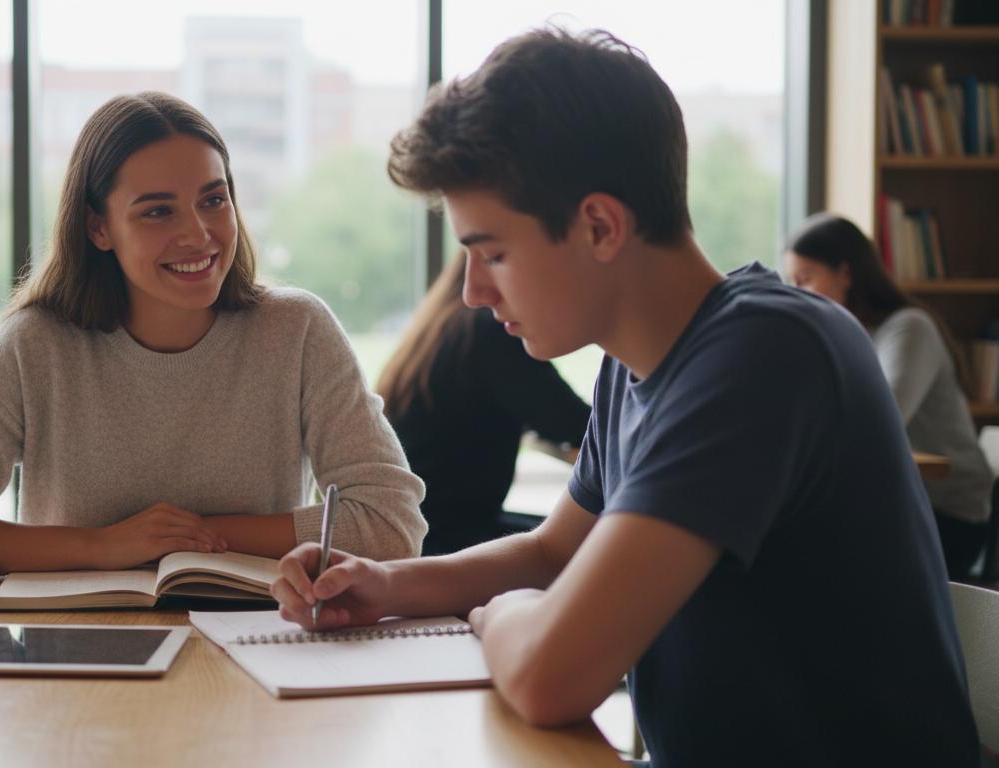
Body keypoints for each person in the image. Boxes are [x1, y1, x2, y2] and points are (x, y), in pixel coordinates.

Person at [270, 28, 978, 767]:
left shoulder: (766, 354)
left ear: (600, 225)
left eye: (494, 254)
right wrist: (385, 584)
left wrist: (503, 613)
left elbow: (551, 678)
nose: (475, 294)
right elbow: (553, 551)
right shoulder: (632, 369)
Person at [0, 92, 426, 575]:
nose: (198, 234)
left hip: (254, 642)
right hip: (72, 658)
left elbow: (391, 524)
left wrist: (191, 537)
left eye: (214, 200)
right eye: (158, 212)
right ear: (98, 227)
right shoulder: (37, 345)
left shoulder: (297, 330)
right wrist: (100, 547)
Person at [785, 212, 995, 579]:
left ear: (845, 273)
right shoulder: (847, 334)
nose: (797, 294)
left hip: (948, 516)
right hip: (902, 506)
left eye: (805, 280)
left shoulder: (908, 328)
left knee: (809, 556)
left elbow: (881, 419)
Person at [376, 255, 590, 554]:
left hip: (418, 530)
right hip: (446, 538)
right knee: (589, 543)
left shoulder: (440, 328)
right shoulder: (490, 331)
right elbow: (573, 421)